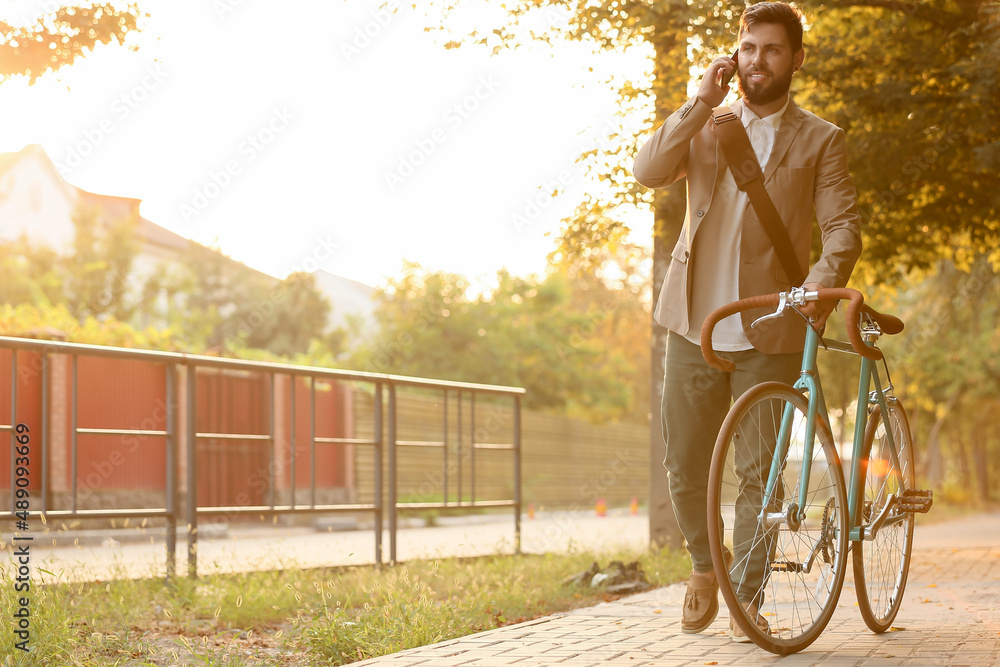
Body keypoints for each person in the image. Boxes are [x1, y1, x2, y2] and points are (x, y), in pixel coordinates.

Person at [631, 2, 863, 642]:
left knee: (759, 476)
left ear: (796, 59)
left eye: (772, 49)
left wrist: (817, 287)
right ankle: (708, 567)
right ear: (735, 54)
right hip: (691, 324)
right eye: (748, 47)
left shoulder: (820, 139)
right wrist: (698, 102)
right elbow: (648, 171)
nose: (758, 60)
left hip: (772, 327)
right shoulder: (707, 124)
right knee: (685, 461)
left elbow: (842, 228)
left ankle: (745, 602)